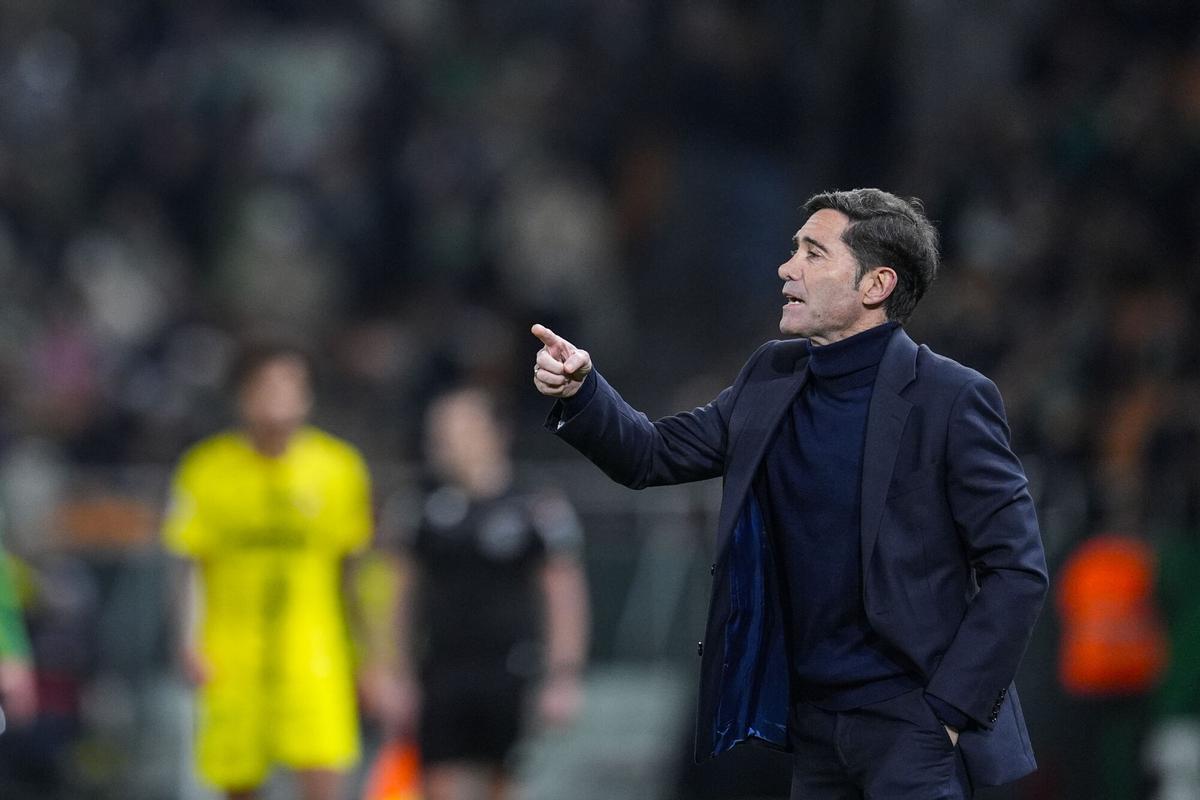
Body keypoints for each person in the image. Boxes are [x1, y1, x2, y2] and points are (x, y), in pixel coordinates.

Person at [531, 188, 1048, 799]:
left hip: (912, 723)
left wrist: (950, 713)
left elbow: (1017, 568)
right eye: (793, 249)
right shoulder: (769, 376)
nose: (787, 267)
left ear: (875, 285)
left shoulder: (952, 398)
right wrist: (583, 392)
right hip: (812, 724)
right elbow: (651, 454)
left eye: (813, 251)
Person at [163, 343, 373, 800]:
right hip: (232, 654)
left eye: (291, 385)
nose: (279, 396)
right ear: (242, 396)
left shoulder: (339, 469)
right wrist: (188, 642)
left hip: (315, 653)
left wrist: (371, 654)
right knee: (238, 784)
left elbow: (354, 574)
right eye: (266, 386)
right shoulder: (205, 470)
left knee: (323, 776)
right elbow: (190, 565)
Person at [368, 386, 589, 800]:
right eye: (439, 430)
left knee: (502, 784)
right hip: (439, 671)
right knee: (437, 786)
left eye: (458, 428)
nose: (444, 441)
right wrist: (389, 672)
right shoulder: (417, 506)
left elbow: (565, 596)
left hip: (511, 670)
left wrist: (564, 676)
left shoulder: (536, 505)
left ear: (495, 432)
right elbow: (393, 596)